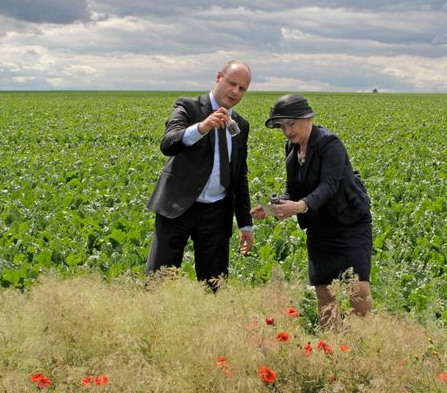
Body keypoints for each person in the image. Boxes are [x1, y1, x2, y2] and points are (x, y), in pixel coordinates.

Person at [251, 94, 373, 326]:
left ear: (308, 119)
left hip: (350, 225)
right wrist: (271, 209)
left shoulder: (330, 144)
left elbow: (330, 185)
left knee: (357, 288)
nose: (287, 131)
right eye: (282, 126)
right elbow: (292, 189)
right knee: (324, 291)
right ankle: (330, 343)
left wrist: (301, 206)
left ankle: (367, 339)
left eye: (292, 124)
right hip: (319, 229)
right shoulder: (292, 148)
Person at [146, 60, 254, 290]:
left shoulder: (241, 125)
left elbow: (239, 176)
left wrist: (246, 224)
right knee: (159, 282)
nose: (235, 91)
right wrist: (202, 128)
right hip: (177, 207)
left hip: (216, 212)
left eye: (242, 88)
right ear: (218, 78)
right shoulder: (189, 107)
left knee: (213, 286)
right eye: (231, 83)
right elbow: (168, 144)